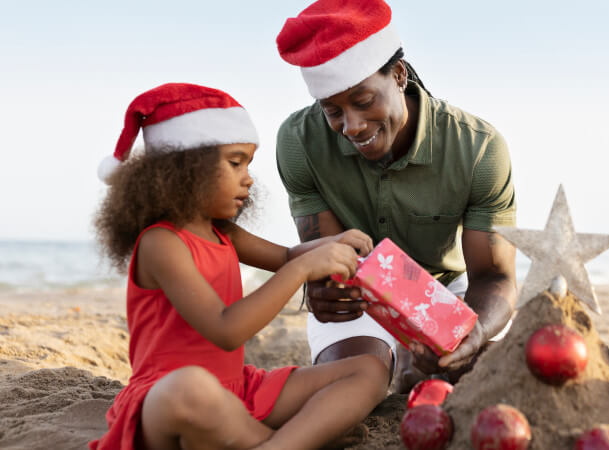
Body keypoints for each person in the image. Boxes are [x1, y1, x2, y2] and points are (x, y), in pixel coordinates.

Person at [90, 83, 387, 450]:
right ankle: (288, 441)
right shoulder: (161, 243)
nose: (248, 177)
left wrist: (331, 243)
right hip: (171, 398)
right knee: (190, 388)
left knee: (369, 370)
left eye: (248, 163)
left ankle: (274, 443)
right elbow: (226, 329)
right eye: (234, 162)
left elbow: (286, 257)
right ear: (184, 169)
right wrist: (302, 270)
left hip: (240, 390)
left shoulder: (223, 231)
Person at [274, 0, 518, 393]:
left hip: (447, 290)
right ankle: (398, 363)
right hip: (362, 294)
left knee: (491, 384)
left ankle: (420, 362)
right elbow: (330, 261)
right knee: (353, 389)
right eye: (332, 111)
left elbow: (494, 276)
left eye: (364, 101)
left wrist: (469, 335)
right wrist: (324, 289)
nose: (351, 126)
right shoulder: (298, 143)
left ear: (399, 75)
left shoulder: (478, 149)